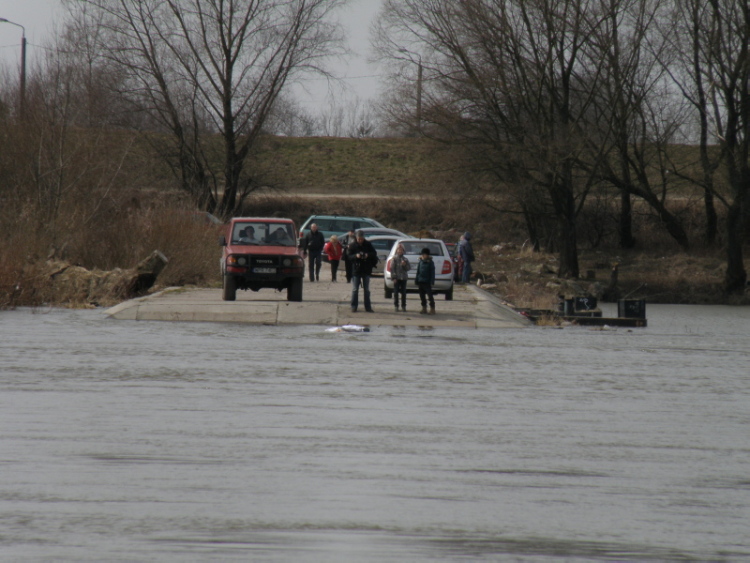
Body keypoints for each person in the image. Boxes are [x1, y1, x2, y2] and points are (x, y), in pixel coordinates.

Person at [347, 230, 377, 312]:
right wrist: (356, 256)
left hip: (366, 269)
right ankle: (354, 306)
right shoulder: (353, 245)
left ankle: (368, 307)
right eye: (359, 239)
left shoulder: (368, 244)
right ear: (356, 238)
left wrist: (367, 255)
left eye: (361, 239)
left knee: (366, 289)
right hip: (356, 269)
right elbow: (348, 256)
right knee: (355, 289)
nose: (360, 240)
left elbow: (374, 253)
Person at [390, 243, 411, 312]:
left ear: (403, 251)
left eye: (401, 250)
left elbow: (408, 268)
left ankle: (403, 306)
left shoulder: (405, 259)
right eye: (398, 250)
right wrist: (394, 277)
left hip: (403, 278)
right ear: (396, 251)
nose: (400, 251)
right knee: (396, 293)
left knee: (403, 293)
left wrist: (404, 265)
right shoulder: (394, 259)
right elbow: (392, 269)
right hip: (397, 278)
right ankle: (396, 305)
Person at [415, 247, 436, 315]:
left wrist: (432, 281)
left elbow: (432, 272)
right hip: (420, 280)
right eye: (423, 254)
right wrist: (416, 279)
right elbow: (418, 271)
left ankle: (432, 308)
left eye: (425, 254)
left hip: (427, 281)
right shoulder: (420, 262)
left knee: (430, 295)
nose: (423, 255)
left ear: (428, 255)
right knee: (422, 296)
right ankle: (424, 307)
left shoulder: (430, 262)